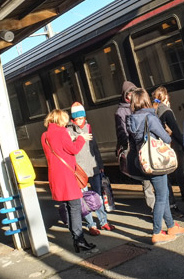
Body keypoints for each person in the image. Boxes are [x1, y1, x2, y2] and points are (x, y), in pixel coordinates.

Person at [126, 88, 184, 244]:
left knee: (163, 193)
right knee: (162, 196)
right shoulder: (150, 118)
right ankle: (156, 232)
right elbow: (166, 140)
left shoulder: (131, 120)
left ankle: (171, 226)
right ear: (147, 100)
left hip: (144, 161)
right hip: (156, 160)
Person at [41, 109, 96, 253]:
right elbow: (73, 149)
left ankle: (76, 239)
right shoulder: (61, 132)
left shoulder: (45, 135)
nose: (66, 122)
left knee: (67, 207)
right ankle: (79, 240)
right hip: (67, 177)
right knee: (75, 208)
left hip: (55, 176)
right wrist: (81, 138)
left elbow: (59, 149)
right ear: (60, 119)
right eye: (65, 119)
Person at [67, 102, 115, 236]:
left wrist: (100, 165)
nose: (80, 120)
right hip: (79, 169)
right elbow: (67, 145)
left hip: (93, 166)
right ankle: (91, 225)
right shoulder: (68, 130)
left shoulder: (88, 127)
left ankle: (103, 221)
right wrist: (78, 137)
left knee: (97, 195)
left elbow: (95, 147)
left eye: (82, 117)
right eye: (77, 118)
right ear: (73, 118)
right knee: (83, 198)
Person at [152, 87, 184, 203]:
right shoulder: (166, 111)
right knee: (180, 169)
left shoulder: (156, 110)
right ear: (165, 97)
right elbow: (176, 130)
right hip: (174, 143)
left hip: (164, 144)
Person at [115, 80, 155, 213]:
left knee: (154, 176)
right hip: (136, 147)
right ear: (124, 95)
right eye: (128, 94)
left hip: (147, 145)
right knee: (146, 180)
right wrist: (129, 145)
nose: (131, 96)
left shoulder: (136, 106)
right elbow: (122, 132)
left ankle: (162, 207)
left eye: (132, 93)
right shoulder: (121, 112)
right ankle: (153, 208)